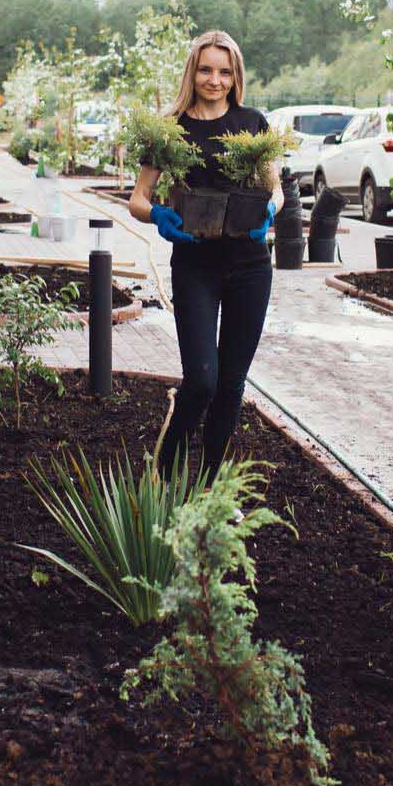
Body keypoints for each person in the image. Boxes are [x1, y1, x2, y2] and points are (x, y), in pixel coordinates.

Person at [127, 30, 278, 470]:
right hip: (195, 266)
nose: (215, 80)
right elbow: (138, 197)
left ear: (236, 76)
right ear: (193, 71)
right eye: (207, 69)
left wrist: (269, 208)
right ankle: (166, 468)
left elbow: (275, 188)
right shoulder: (172, 127)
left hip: (250, 266)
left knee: (232, 384)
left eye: (225, 71)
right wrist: (158, 216)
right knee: (202, 380)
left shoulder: (252, 123)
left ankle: (211, 485)